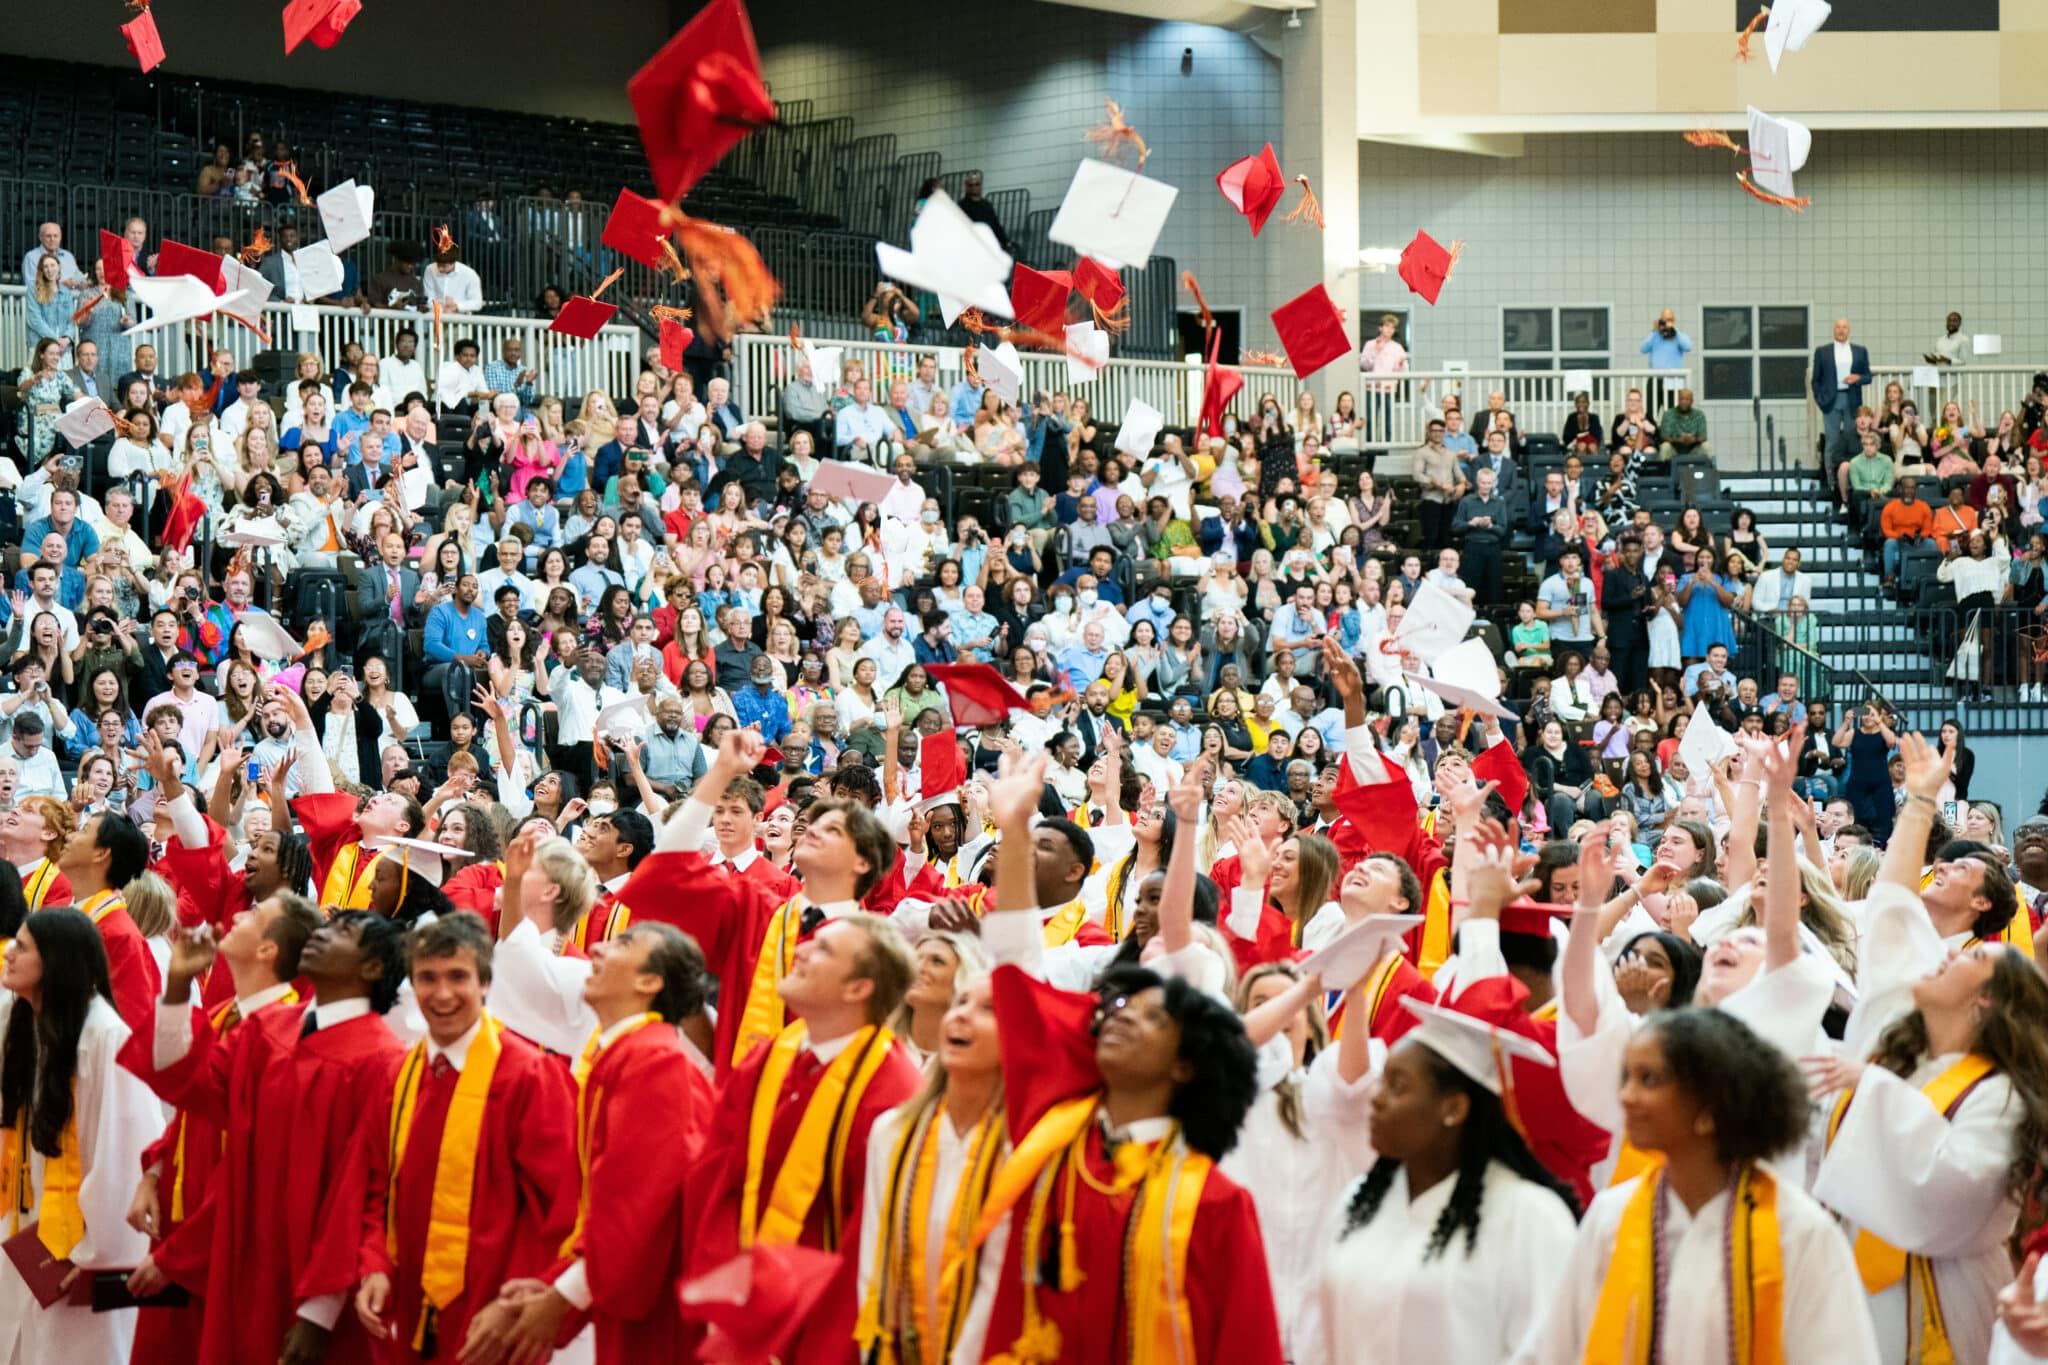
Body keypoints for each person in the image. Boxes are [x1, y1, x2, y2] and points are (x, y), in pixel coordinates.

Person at [971, 747, 1283, 1364]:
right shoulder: (1057, 1130)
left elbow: (1247, 1345)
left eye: (1149, 1017)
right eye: (1121, 1009)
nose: (1120, 1019)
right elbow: (1015, 969)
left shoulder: (1219, 1205)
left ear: (1186, 1062)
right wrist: (1011, 833)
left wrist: (1190, 829)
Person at [1809, 731, 2048, 1365]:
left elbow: (1950, 1195)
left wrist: (1873, 1085)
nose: (1942, 960)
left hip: (1945, 1290)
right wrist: (1918, 804)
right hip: (1848, 1264)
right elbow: (1890, 907)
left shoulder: (2000, 1092)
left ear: (1990, 1001)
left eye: (1974, 962)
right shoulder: (1898, 1035)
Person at [1517, 1009, 1880, 1364]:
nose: (1626, 1096)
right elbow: (1553, 1348)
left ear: (1710, 1107)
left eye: (1649, 1079)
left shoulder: (1799, 1233)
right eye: (1626, 1077)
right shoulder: (1611, 1216)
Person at [144, 905, 408, 1365]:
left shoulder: (383, 1061)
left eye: (342, 932)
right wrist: (178, 987)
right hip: (242, 1257)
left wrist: (319, 1313)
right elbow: (190, 1086)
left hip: (315, 1275)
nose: (323, 935)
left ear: (372, 968)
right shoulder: (268, 1030)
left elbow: (370, 1192)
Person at [478, 910, 715, 1363]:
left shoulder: (658, 1065)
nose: (598, 948)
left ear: (650, 983)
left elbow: (637, 1211)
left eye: (623, 946)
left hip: (658, 1315)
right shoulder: (627, 1055)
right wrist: (554, 1280)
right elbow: (600, 1204)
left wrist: (560, 1299)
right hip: (623, 1293)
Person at [351, 912, 579, 1364]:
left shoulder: (527, 1077)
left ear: (486, 984)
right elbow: (377, 1187)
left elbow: (562, 1209)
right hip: (406, 1307)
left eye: (459, 976)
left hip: (494, 1315)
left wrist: (516, 1304)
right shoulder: (398, 1075)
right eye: (427, 978)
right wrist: (374, 1264)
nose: (442, 993)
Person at [1316, 996, 1579, 1365]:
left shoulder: (1530, 1219)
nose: (1375, 1100)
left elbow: (1549, 1352)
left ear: (1454, 1108)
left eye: (1397, 1086)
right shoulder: (1357, 1204)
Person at [122, 877, 321, 1361]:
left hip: (231, 1249)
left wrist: (182, 1254)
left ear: (269, 949)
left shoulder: (290, 1039)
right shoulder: (220, 1016)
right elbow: (188, 1101)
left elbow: (258, 1168)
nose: (235, 916)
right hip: (179, 1223)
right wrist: (154, 1170)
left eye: (252, 917)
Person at [0, 907, 162, 1365]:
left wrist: (95, 1252)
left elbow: (123, 1155)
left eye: (23, 946)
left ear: (57, 961)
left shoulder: (103, 1036)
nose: (9, 954)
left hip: (78, 1246)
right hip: (20, 1225)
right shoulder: (20, 1020)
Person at [1812, 317, 1872, 469]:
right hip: (1831, 400)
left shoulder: (1860, 351)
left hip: (1852, 399)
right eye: (1838, 327)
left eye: (1844, 327)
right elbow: (1815, 380)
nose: (1841, 330)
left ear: (1849, 330)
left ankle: (1853, 477)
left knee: (1853, 439)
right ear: (1833, 330)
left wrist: (1857, 377)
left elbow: (1868, 376)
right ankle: (1832, 481)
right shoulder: (1822, 351)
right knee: (1832, 441)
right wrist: (1821, 400)